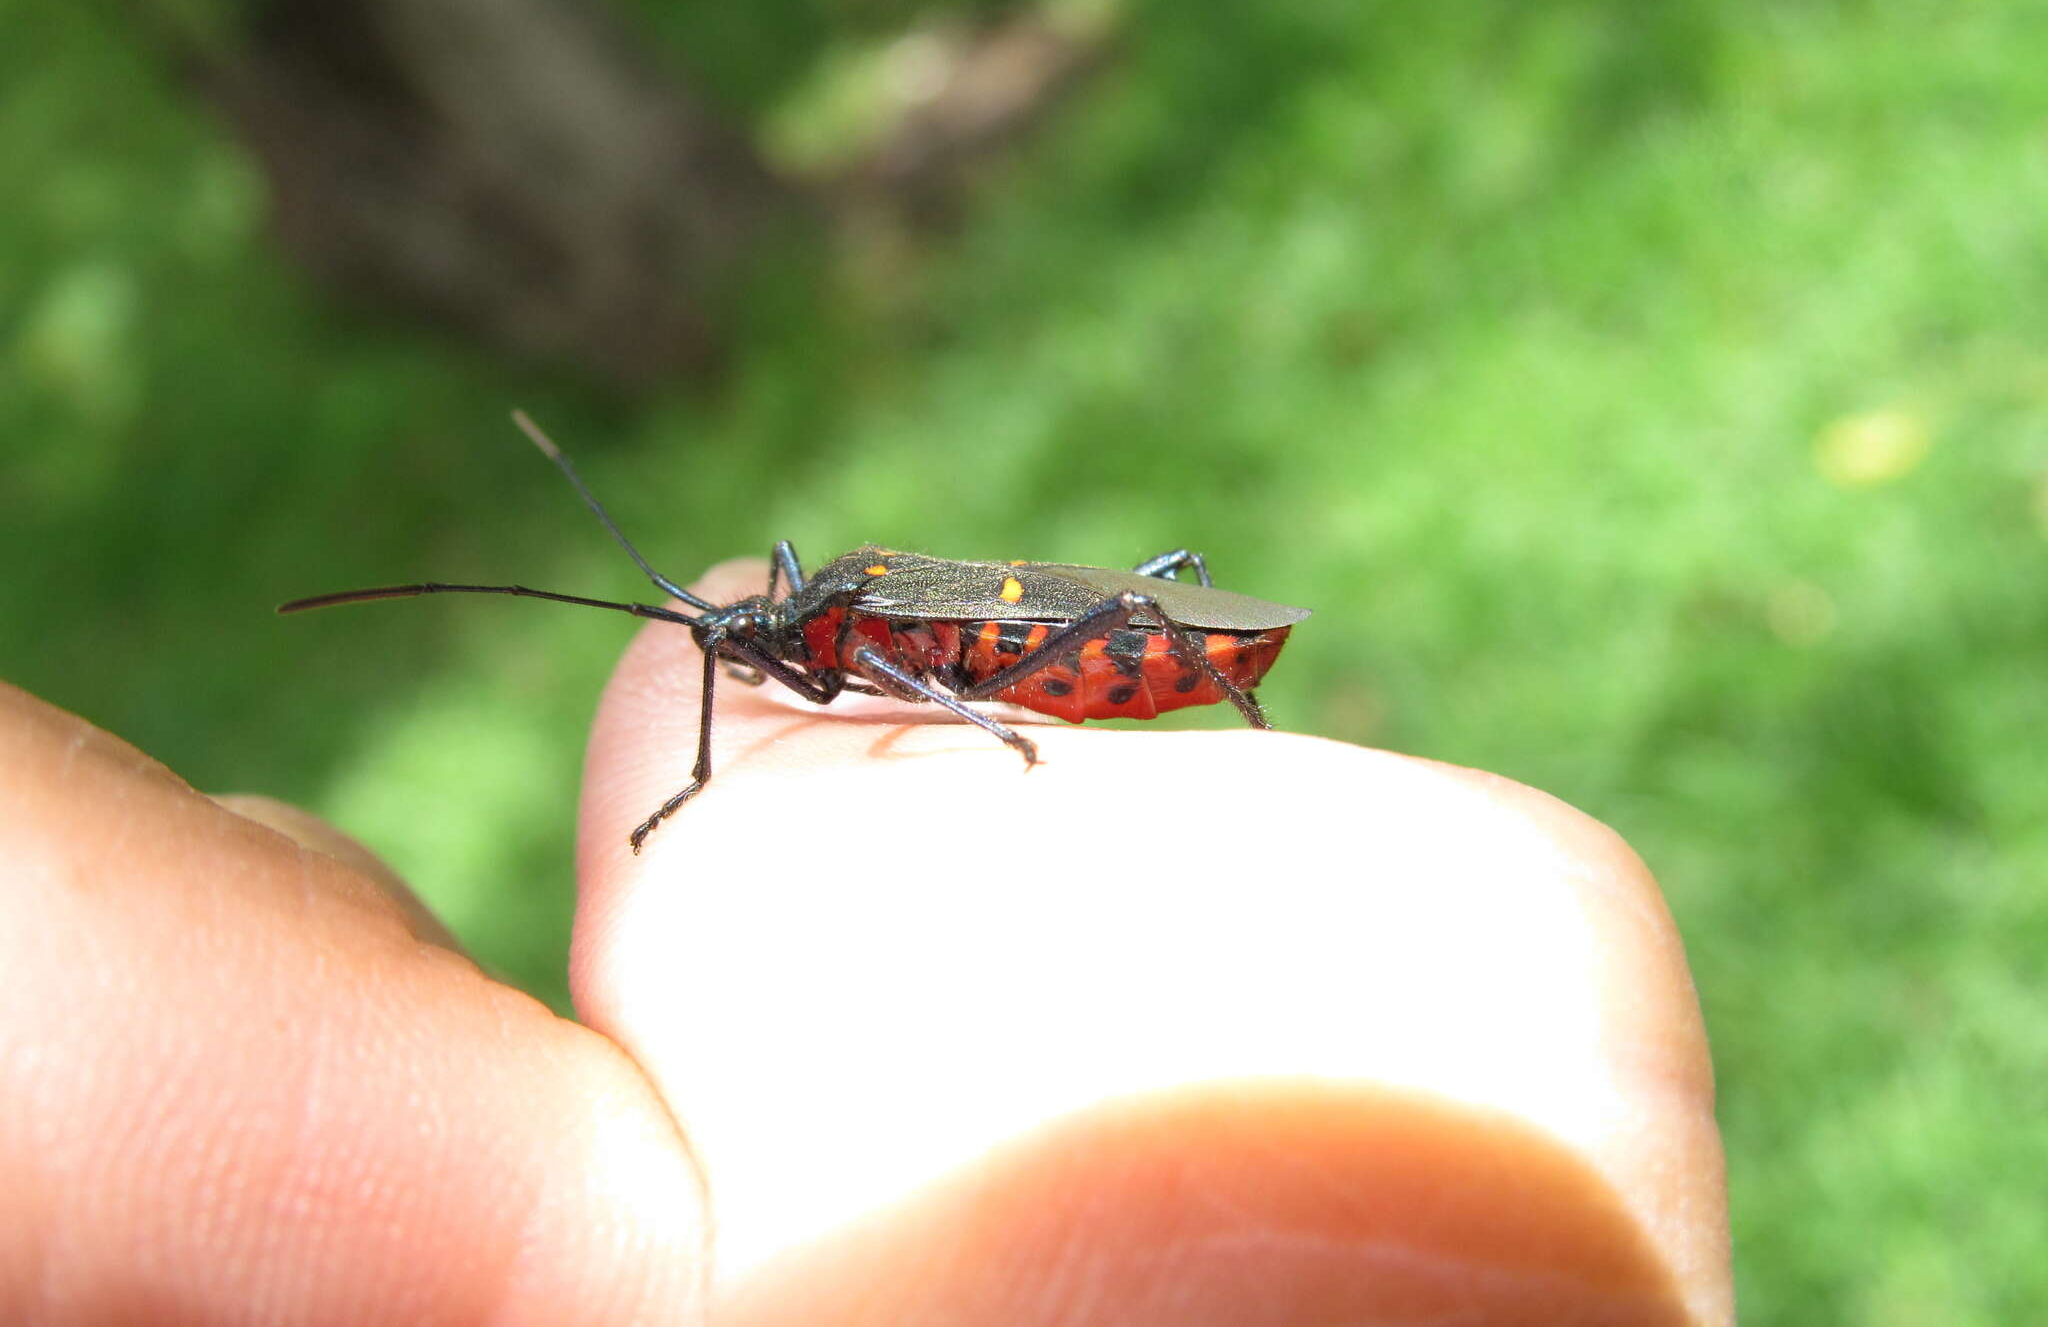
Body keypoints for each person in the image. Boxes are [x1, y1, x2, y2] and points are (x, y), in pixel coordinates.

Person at [0, 562, 1732, 1325]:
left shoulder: (843, 625)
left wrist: (968, 717)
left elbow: (876, 651)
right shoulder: (780, 633)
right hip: (1013, 659)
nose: (743, 654)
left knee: (1148, 604)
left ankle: (1249, 750)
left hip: (1060, 648)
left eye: (753, 636)